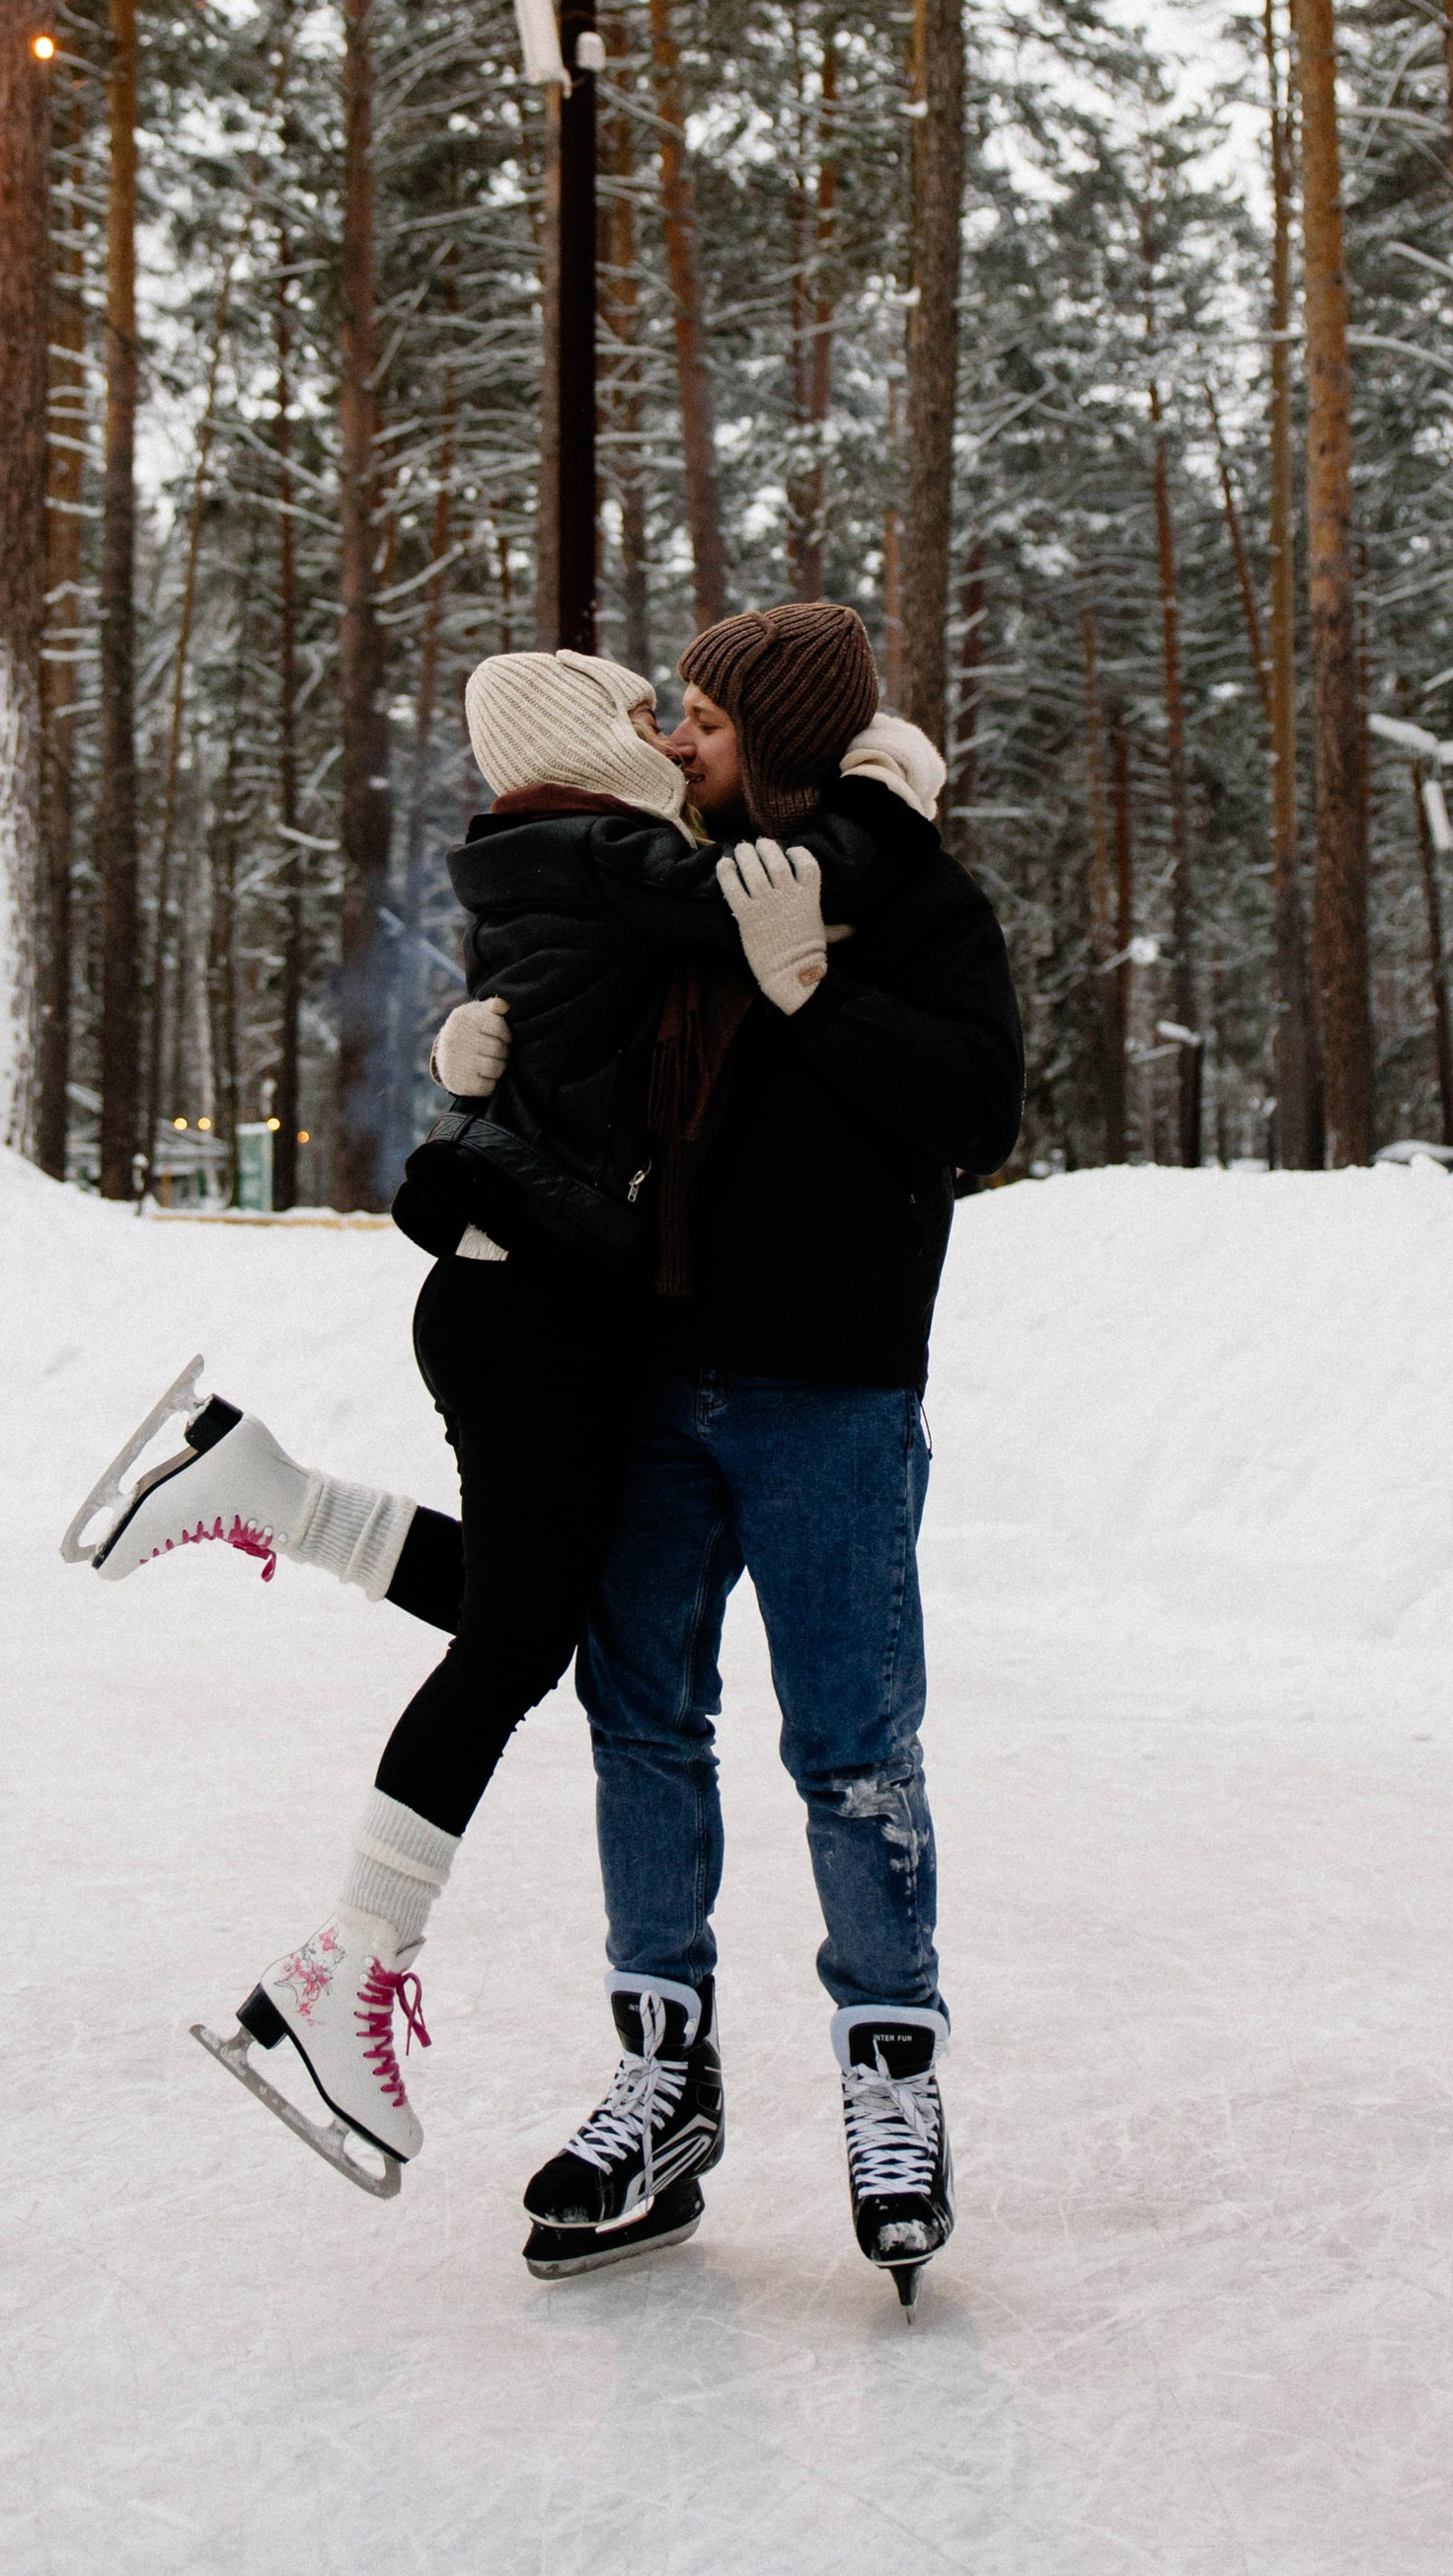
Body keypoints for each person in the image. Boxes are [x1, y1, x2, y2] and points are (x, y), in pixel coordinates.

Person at [62, 642, 940, 2198]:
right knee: (528, 1639)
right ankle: (353, 1956)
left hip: (522, 1295)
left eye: (696, 718)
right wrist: (886, 793)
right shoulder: (605, 852)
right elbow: (769, 895)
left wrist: (477, 1082)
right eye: (646, 718)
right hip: (530, 1306)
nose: (674, 740)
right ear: (592, 748)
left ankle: (273, 1497)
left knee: (557, 1614)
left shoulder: (572, 862)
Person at [513, 601, 1024, 2307]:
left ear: (785, 743)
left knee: (852, 1743)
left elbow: (979, 1110)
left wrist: (817, 994)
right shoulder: (683, 881)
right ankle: (662, 2075)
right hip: (658, 1380)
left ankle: (893, 2079)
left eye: (710, 718)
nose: (680, 738)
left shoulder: (920, 906)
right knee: (640, 1716)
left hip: (834, 1391)